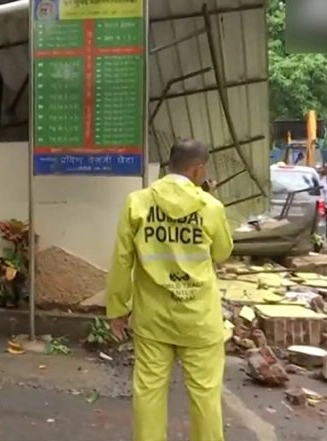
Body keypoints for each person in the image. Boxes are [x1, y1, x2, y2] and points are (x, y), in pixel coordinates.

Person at [106, 140, 233, 441]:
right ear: (199, 168)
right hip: (199, 319)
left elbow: (122, 261)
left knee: (149, 393)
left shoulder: (137, 203)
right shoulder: (210, 207)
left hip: (153, 317)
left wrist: (118, 310)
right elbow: (222, 253)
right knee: (205, 396)